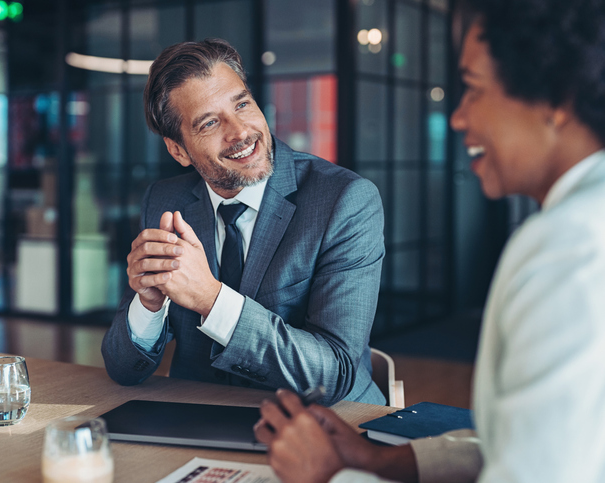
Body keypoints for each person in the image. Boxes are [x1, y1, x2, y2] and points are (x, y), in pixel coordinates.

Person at [255, 0, 605, 481]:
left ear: (557, 102)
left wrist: (330, 476)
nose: (459, 118)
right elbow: (528, 442)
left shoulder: (570, 246)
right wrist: (378, 461)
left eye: (474, 90)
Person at [101, 38, 386, 406]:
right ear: (178, 150)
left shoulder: (345, 200)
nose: (240, 132)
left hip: (326, 427)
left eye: (242, 104)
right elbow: (123, 369)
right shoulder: (166, 202)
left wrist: (210, 298)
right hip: (199, 421)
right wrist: (148, 305)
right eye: (209, 123)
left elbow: (335, 374)